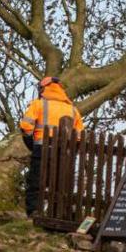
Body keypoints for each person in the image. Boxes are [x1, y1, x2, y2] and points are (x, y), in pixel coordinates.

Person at [18, 76, 83, 216]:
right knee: (61, 184)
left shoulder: (39, 104)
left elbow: (26, 126)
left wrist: (31, 143)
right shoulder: (72, 110)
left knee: (36, 181)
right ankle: (58, 212)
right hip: (64, 153)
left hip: (42, 149)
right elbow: (79, 136)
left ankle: (34, 211)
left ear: (43, 88)